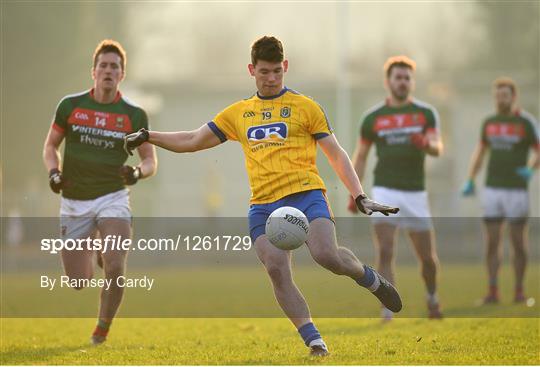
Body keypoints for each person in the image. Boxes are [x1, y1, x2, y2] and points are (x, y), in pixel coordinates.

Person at [124, 36, 401, 356]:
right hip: (264, 206)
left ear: (285, 67)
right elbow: (192, 140)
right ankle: (314, 341)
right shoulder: (239, 114)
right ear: (251, 70)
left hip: (305, 194)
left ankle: (371, 281)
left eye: (276, 72)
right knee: (275, 268)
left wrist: (359, 195)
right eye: (264, 72)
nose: (271, 79)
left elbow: (335, 154)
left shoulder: (306, 107)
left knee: (327, 256)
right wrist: (148, 135)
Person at [42, 39, 157, 344]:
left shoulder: (133, 115)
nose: (108, 70)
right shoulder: (70, 106)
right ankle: (95, 247)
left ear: (122, 74)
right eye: (103, 65)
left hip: (113, 198)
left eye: (114, 66)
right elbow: (50, 147)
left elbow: (149, 160)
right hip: (74, 201)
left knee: (117, 264)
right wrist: (54, 172)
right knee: (79, 281)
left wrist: (136, 173)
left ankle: (102, 329)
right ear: (93, 71)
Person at [349, 56, 444, 320]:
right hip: (384, 191)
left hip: (416, 193)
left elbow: (437, 147)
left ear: (411, 82)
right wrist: (355, 192)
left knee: (427, 258)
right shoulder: (374, 118)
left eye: (407, 78)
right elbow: (361, 156)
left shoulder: (425, 113)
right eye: (398, 77)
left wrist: (425, 143)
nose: (402, 82)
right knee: (386, 250)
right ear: (387, 82)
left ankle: (432, 297)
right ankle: (387, 309)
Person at [462, 77, 539, 304]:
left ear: (513, 98)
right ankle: (493, 291)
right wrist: (471, 179)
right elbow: (480, 152)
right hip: (493, 190)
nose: (500, 100)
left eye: (504, 95)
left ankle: (519, 291)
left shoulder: (526, 123)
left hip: (517, 191)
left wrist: (531, 169)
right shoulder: (489, 123)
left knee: (518, 242)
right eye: (497, 96)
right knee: (492, 242)